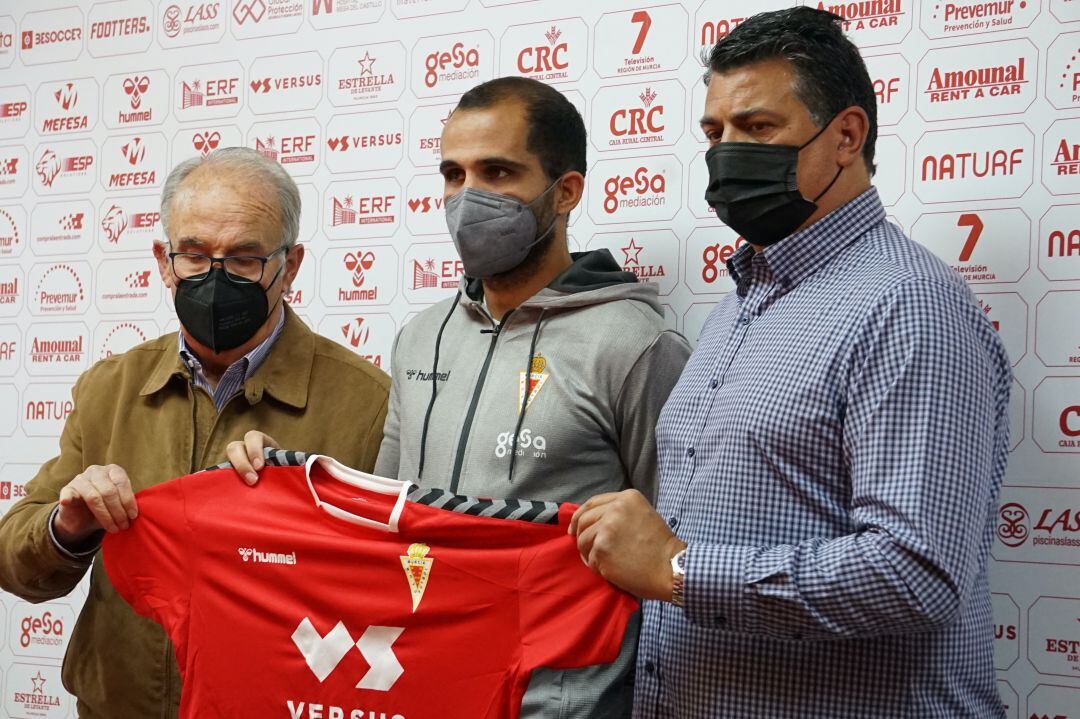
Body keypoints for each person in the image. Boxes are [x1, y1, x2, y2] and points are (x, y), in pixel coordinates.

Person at [569, 8, 1011, 718]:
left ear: (846, 135)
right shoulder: (743, 300)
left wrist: (680, 568)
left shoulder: (909, 306)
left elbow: (918, 572)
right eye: (715, 132)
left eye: (758, 127)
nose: (727, 151)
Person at [228, 77, 691, 719]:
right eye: (453, 173)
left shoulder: (635, 343)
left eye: (497, 172)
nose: (468, 197)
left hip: (558, 701)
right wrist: (284, 484)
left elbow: (669, 550)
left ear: (567, 192)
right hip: (420, 687)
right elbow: (384, 518)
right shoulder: (420, 338)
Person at [0, 147, 390, 719]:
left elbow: (403, 588)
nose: (215, 276)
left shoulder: (367, 402)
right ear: (164, 260)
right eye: (195, 254)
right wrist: (67, 526)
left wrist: (296, 519)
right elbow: (15, 560)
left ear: (292, 264)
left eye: (245, 259)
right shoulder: (110, 389)